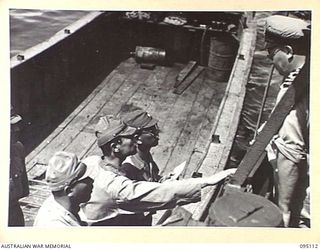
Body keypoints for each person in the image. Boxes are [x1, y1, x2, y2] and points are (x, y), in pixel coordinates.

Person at [80, 116, 236, 226]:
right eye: (130, 136)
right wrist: (207, 181)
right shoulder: (117, 187)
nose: (136, 138)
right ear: (115, 147)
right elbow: (162, 192)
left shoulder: (91, 162)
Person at [264, 14, 310, 227]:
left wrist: (283, 209)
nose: (270, 60)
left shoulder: (295, 91)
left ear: (289, 52)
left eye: (272, 53)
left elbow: (290, 153)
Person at [33, 151, 95, 226]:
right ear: (69, 191)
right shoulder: (55, 225)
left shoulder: (60, 204)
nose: (91, 181)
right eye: (84, 179)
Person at [120, 110, 161, 182]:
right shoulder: (128, 168)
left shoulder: (145, 153)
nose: (157, 132)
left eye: (155, 128)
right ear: (137, 139)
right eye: (152, 131)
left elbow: (153, 177)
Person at [9, 109, 29, 226]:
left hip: (14, 210)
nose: (17, 129)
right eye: (10, 126)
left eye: (16, 124)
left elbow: (24, 190)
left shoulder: (18, 148)